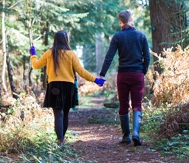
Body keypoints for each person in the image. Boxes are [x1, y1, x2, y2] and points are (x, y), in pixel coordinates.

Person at [30, 30, 103, 146]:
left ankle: (60, 141)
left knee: (58, 115)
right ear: (66, 40)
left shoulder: (50, 53)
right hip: (68, 87)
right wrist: (95, 79)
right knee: (65, 114)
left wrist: (33, 55)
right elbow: (81, 71)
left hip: (54, 86)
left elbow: (36, 65)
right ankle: (62, 139)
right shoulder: (71, 54)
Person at [97, 9, 150, 146]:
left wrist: (102, 74)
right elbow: (147, 57)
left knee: (123, 105)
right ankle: (136, 133)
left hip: (123, 75)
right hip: (138, 74)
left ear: (120, 21)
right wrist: (142, 71)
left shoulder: (117, 37)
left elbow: (109, 57)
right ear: (131, 19)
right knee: (137, 105)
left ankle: (126, 136)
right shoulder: (141, 36)